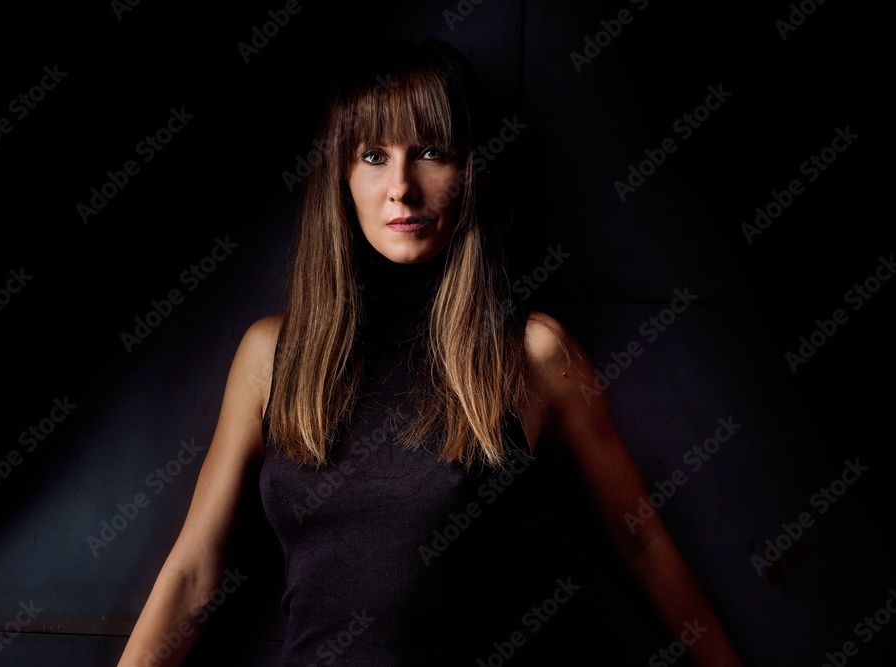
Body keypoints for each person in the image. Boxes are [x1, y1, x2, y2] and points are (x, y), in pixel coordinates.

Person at [118, 40, 745, 666]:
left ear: (470, 169)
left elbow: (637, 539)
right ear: (343, 178)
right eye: (372, 156)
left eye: (430, 153)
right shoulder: (273, 353)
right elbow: (194, 574)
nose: (402, 188)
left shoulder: (529, 353)